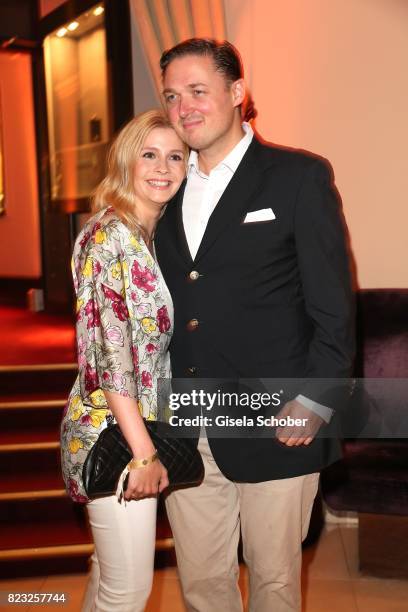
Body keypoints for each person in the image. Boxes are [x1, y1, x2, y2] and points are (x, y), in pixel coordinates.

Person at [155, 39, 355, 612]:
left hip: (276, 421)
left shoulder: (298, 177)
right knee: (202, 586)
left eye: (197, 91)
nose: (184, 107)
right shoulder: (164, 187)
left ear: (237, 93)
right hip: (187, 421)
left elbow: (333, 306)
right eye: (172, 95)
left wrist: (316, 399)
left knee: (272, 584)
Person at [60, 109, 187, 612]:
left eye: (175, 156)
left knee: (110, 580)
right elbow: (108, 354)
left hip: (134, 427)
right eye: (149, 154)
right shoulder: (107, 236)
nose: (163, 167)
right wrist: (144, 452)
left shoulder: (144, 236)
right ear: (125, 162)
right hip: (113, 432)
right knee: (128, 590)